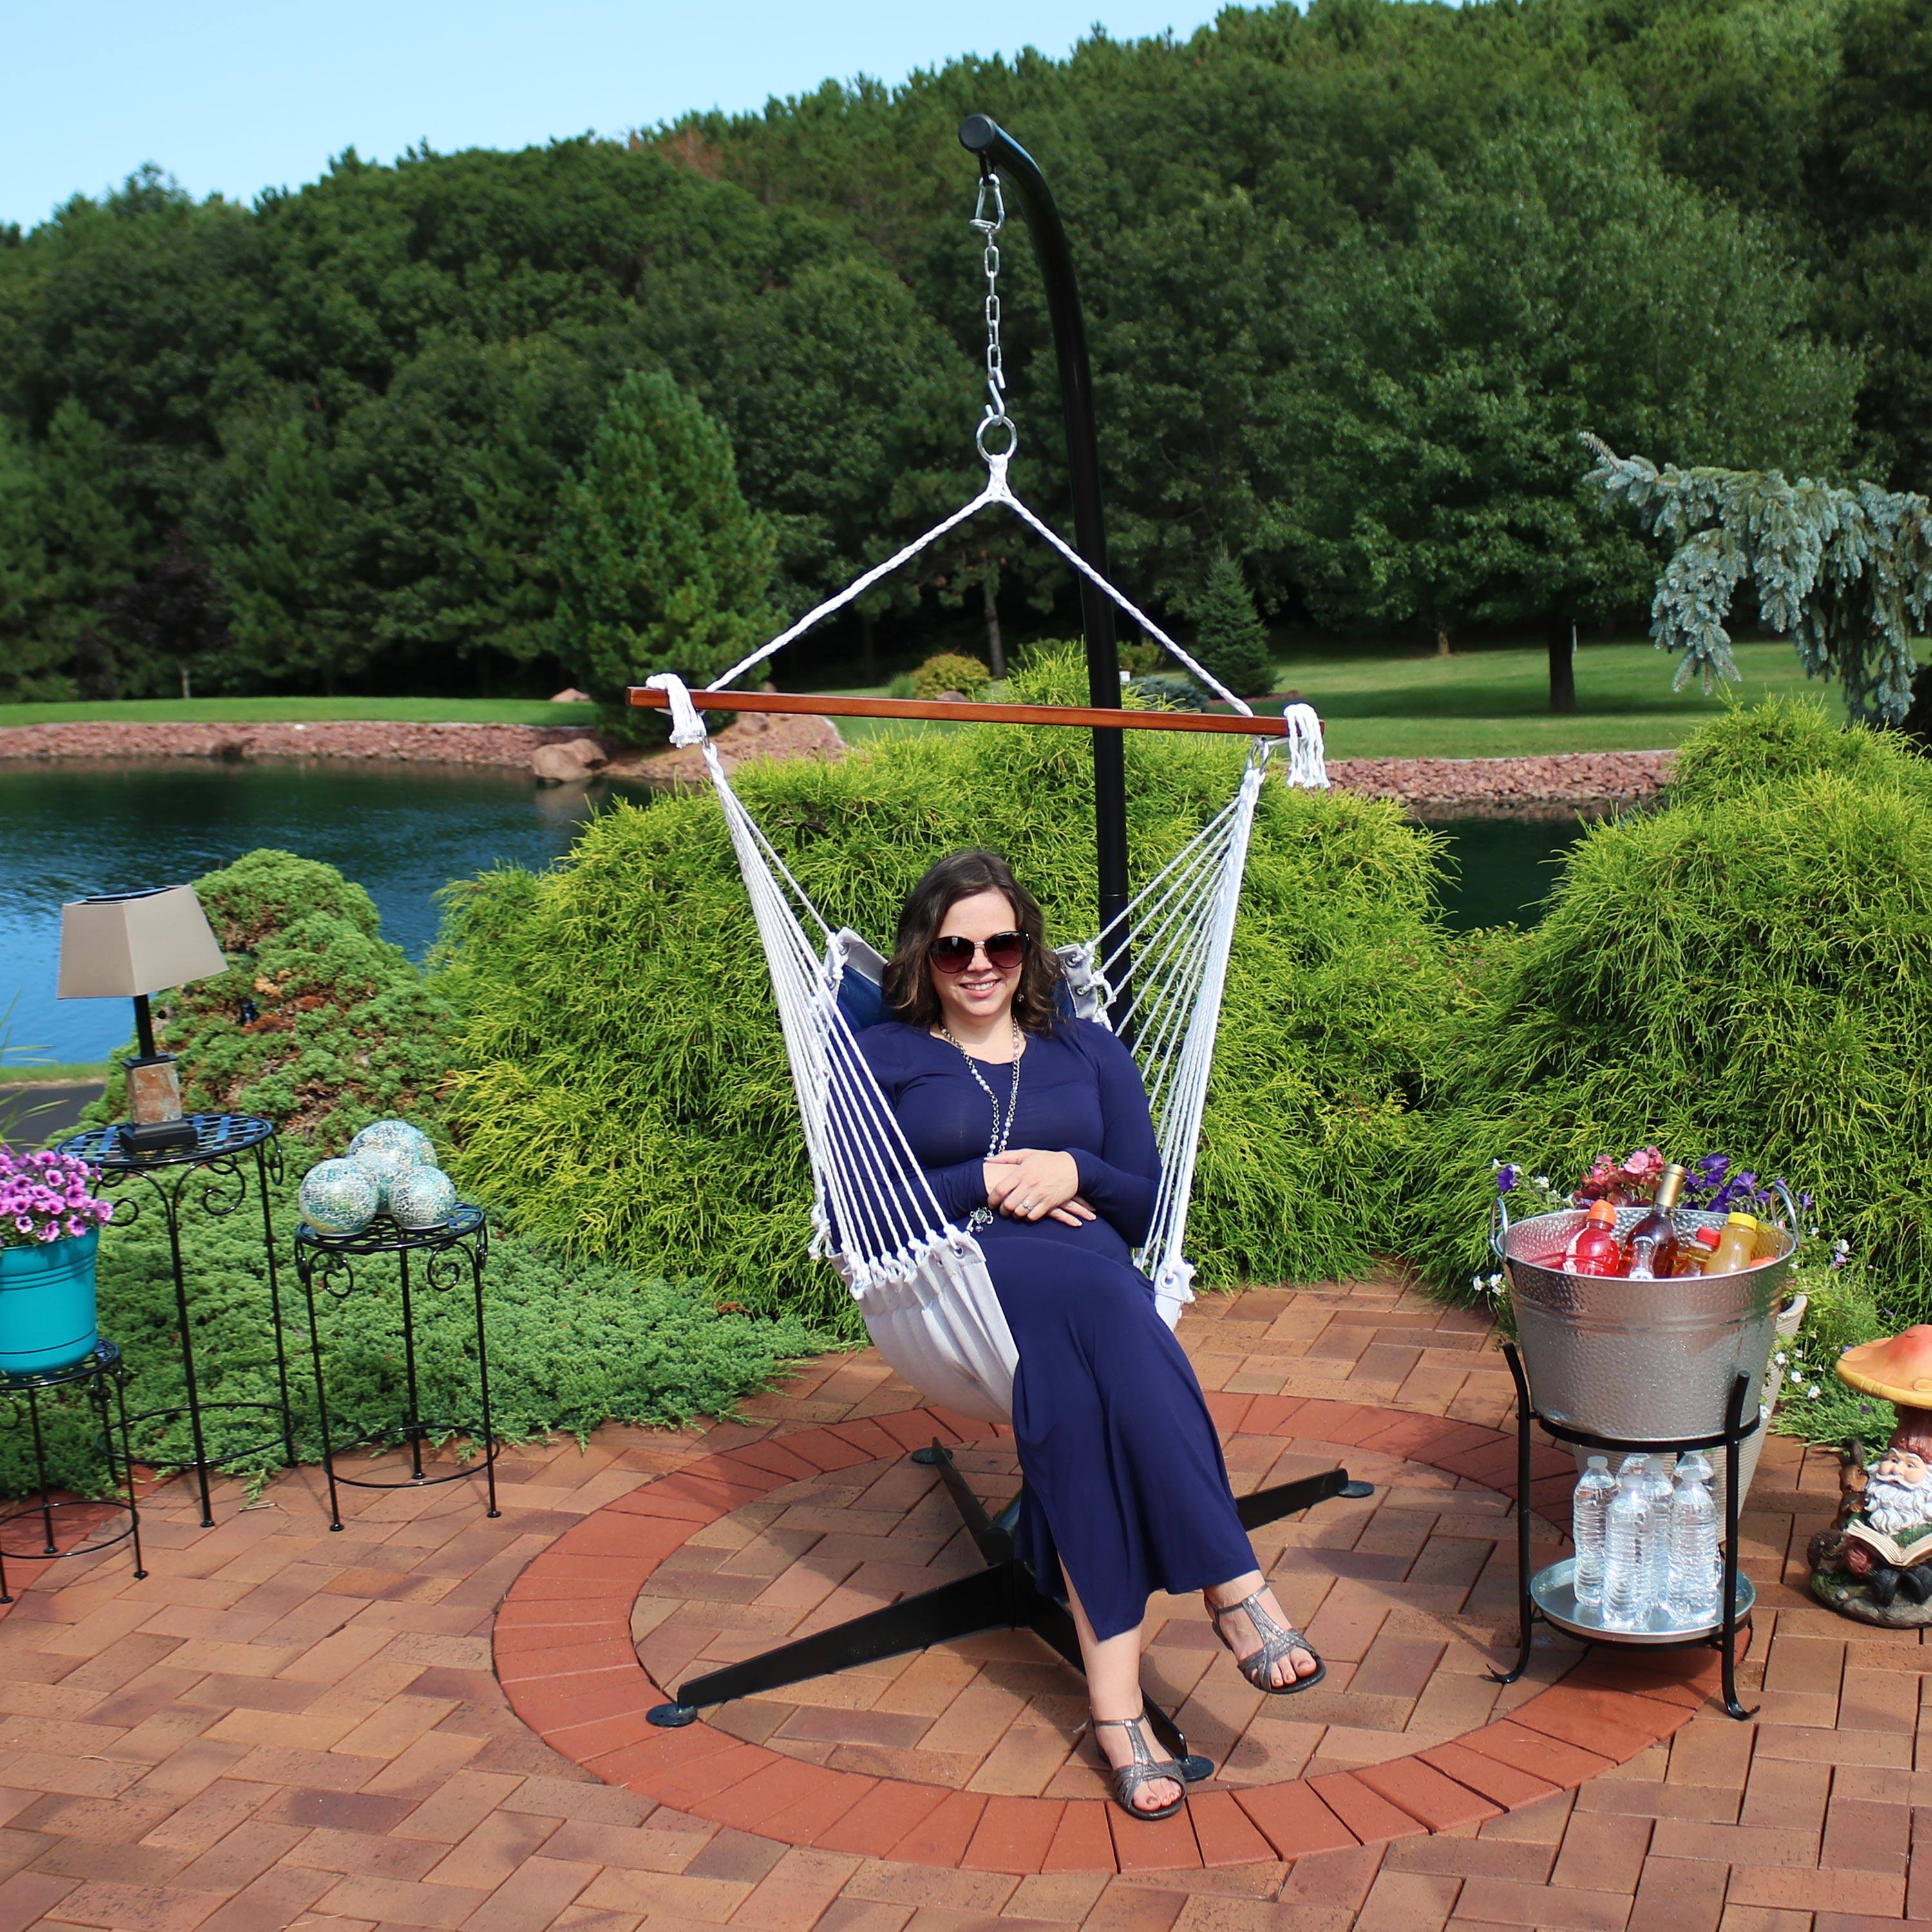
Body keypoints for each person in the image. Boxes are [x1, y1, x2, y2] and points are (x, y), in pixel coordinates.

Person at [858, 849, 1323, 1823]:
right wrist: (980, 1182)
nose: (980, 963)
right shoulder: (884, 1058)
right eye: (955, 948)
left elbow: (1145, 1200)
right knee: (1120, 1325)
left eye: (1002, 942)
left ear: (1028, 947)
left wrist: (1073, 1169)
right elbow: (867, 1204)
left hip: (1093, 1263)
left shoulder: (1090, 1049)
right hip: (967, 1275)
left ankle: (1117, 1716)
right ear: (922, 957)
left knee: (1085, 1375)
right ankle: (1233, 1584)